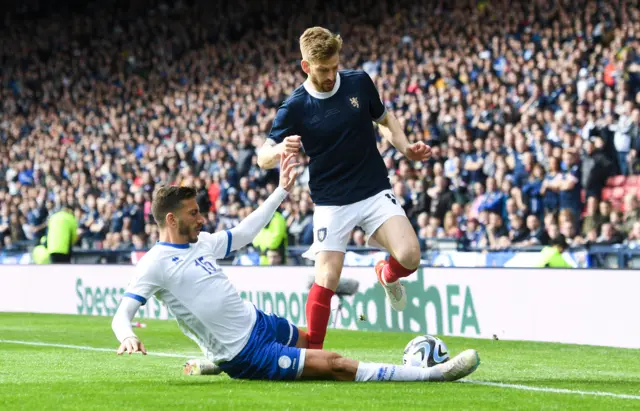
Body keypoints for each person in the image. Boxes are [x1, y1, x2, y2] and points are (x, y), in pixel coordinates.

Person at [111, 154, 480, 383]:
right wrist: (127, 335)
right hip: (246, 354)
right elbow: (121, 315)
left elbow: (244, 232)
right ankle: (432, 374)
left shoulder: (202, 241)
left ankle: (214, 363)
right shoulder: (154, 264)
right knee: (334, 364)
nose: (202, 218)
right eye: (194, 213)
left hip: (259, 322)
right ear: (171, 219)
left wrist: (282, 191)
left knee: (311, 341)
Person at [256, 26, 431, 349]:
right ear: (306, 66)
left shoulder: (359, 82)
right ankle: (314, 352)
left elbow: (385, 119)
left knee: (409, 256)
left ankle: (387, 274)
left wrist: (405, 148)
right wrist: (279, 150)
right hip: (332, 201)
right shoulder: (295, 106)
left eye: (334, 66)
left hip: (373, 188)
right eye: (323, 69)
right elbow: (261, 157)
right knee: (327, 278)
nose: (330, 75)